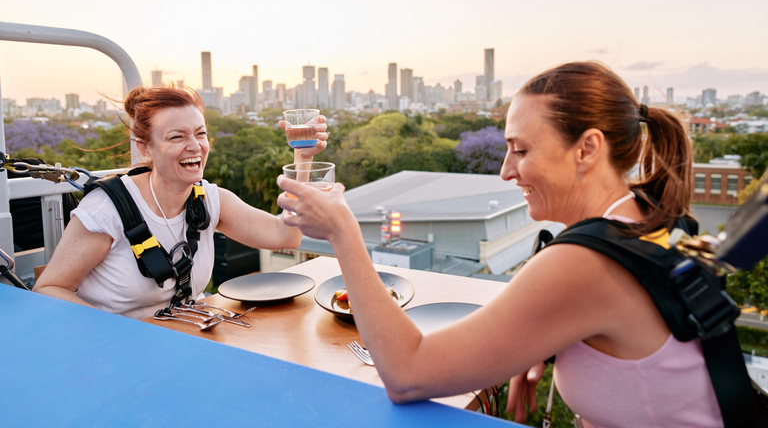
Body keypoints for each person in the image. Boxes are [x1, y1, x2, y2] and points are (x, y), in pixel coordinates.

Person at [276, 62, 725, 427]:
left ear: (587, 149)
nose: (506, 171)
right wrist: (541, 346)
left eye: (522, 150)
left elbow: (407, 375)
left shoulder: (585, 263)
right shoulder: (646, 215)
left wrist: (343, 233)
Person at [34, 85, 328, 320]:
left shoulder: (210, 199)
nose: (195, 146)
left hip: (188, 335)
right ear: (145, 149)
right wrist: (118, 333)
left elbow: (286, 235)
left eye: (201, 134)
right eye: (177, 137)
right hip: (118, 350)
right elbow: (49, 288)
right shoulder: (107, 209)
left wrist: (303, 159)